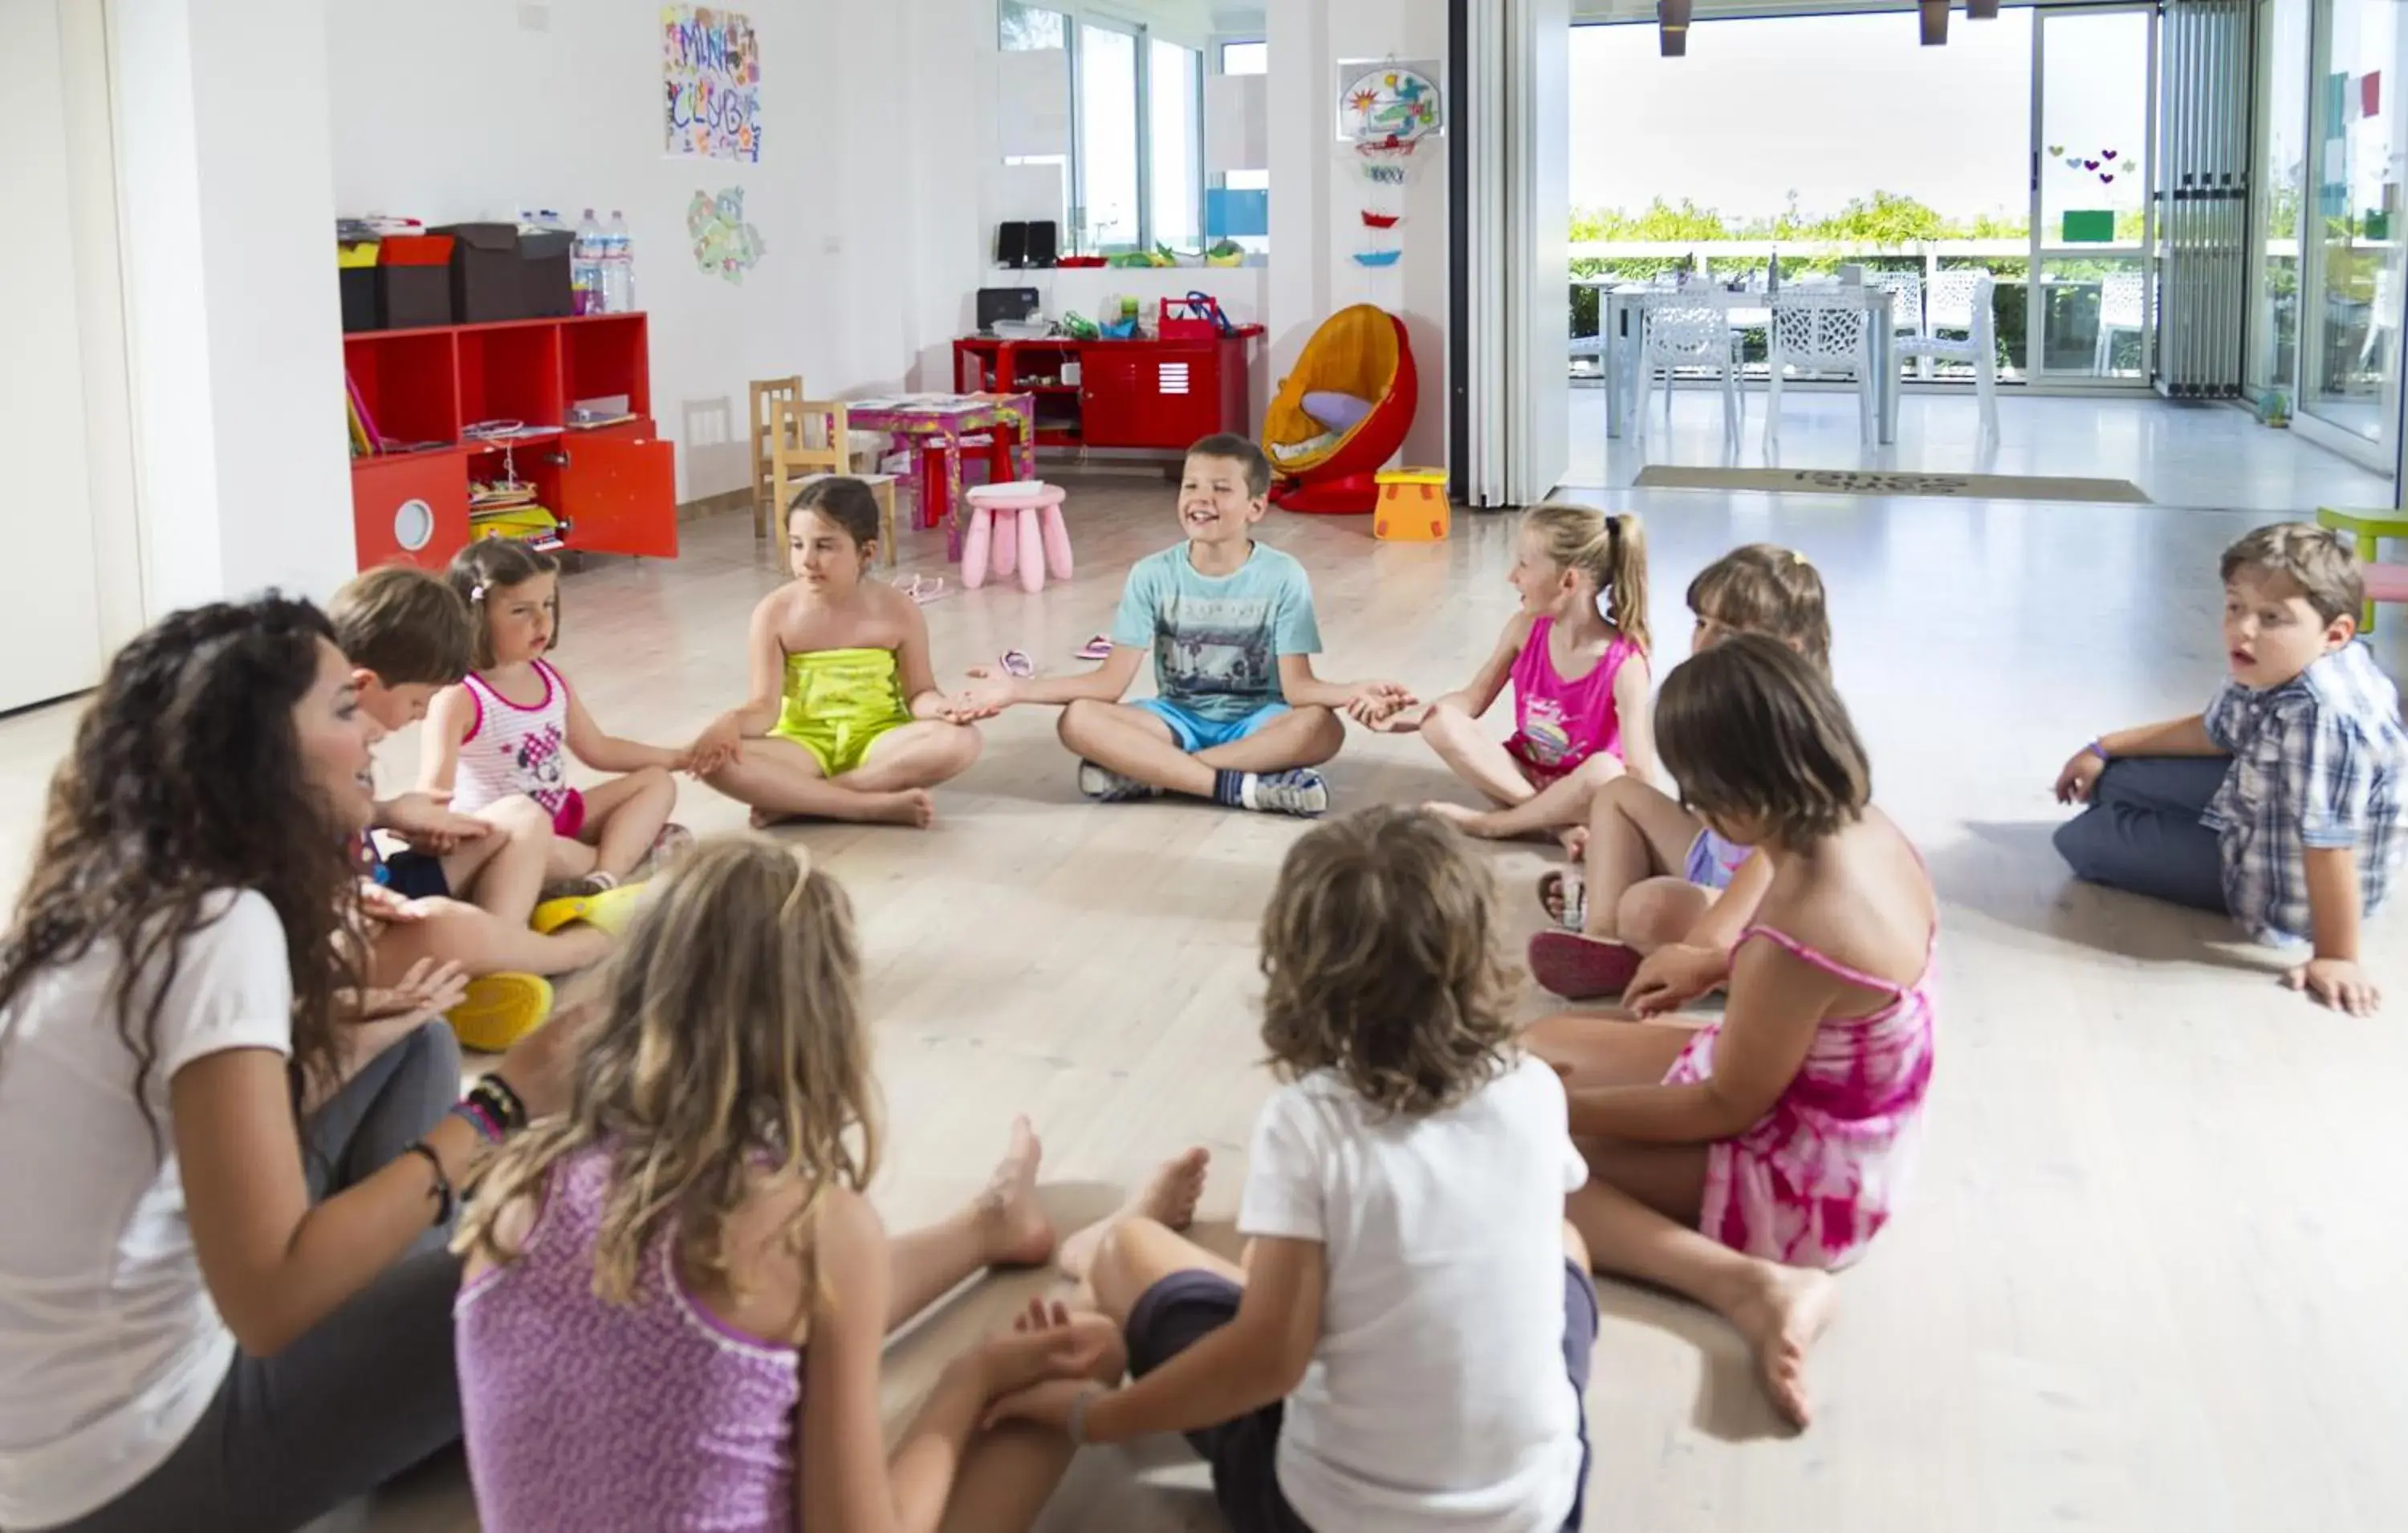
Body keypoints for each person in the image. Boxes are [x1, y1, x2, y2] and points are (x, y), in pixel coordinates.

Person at [0, 595, 588, 1533]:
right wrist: (505, 1106)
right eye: (344, 712)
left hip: (57, 1423)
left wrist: (348, 1035)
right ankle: (442, 1352)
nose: (368, 739)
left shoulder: (115, 884)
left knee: (418, 1045)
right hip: (138, 1462)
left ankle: (425, 1332)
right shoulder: (212, 926)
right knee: (569, 1249)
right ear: (263, 749)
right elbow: (269, 1299)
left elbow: (171, 1147)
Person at [454, 836, 1123, 1533]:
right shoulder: (816, 1225)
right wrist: (970, 1379)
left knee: (780, 1306)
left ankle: (989, 1225)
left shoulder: (517, 1183)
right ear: (824, 1022)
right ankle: (1099, 1277)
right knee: (1074, 1369)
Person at [986, 807, 1599, 1533]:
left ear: (1303, 969)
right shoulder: (1530, 1085)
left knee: (1128, 1254)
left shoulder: (1310, 1122)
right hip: (1537, 1514)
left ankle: (1115, 1249)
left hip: (1325, 1517)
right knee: (1564, 1244)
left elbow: (1268, 1364)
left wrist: (1096, 1415)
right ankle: (1317, 1290)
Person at [1525, 636, 1935, 1431]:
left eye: (1698, 793)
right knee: (1543, 1046)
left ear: (1734, 798)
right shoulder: (1858, 823)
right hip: (1833, 1101)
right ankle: (1548, 1100)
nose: (1695, 810)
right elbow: (1803, 957)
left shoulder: (1802, 930)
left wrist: (1558, 1111)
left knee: (1514, 1155)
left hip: (1816, 1176)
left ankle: (1750, 1284)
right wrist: (1711, 962)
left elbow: (1726, 1107)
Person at [958, 434, 1411, 819]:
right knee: (1078, 719)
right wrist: (1017, 690)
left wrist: (1353, 692)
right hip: (1175, 719)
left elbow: (1298, 689)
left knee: (1322, 728)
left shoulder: (1283, 575)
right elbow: (1108, 682)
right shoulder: (1151, 574)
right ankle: (1237, 787)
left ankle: (1155, 775)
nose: (1201, 498)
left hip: (1257, 722)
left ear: (1256, 507)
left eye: (1220, 488)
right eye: (1191, 485)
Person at [2053, 522, 2405, 1016]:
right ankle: (2151, 814)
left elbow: (2329, 842)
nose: (2243, 628)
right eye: (2235, 606)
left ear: (2336, 632)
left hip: (2284, 881)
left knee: (2082, 840)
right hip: (2265, 803)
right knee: (2114, 778)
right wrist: (2104, 747)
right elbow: (2215, 732)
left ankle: (2163, 840)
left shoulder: (2323, 713)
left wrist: (2336, 956)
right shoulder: (2278, 660)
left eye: (2272, 616)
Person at [1529, 543, 1828, 1002]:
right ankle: (1602, 938)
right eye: (1700, 623)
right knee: (1618, 794)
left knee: (1647, 910)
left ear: (1786, 651)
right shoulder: (1718, 703)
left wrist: (1707, 945)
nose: (1703, 643)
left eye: (1726, 632)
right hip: (1716, 858)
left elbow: (1773, 856)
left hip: (1764, 907)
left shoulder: (1791, 735)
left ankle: (1645, 937)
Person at [689, 478, 983, 829]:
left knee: (963, 740)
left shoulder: (899, 610)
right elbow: (764, 709)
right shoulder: (774, 613)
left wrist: (944, 708)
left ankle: (807, 801)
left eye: (825, 546)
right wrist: (730, 723)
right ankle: (865, 806)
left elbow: (919, 693)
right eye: (797, 545)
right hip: (802, 746)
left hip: (880, 743)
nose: (807, 560)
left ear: (867, 552)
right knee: (716, 760)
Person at [1361, 504, 1653, 847]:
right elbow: (1471, 700)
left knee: (1605, 770)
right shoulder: (1524, 630)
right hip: (1523, 777)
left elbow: (1640, 776)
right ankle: (1555, 827)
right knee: (1440, 721)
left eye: (1524, 565)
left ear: (1569, 580)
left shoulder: (1625, 664)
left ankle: (1493, 825)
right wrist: (1403, 718)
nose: (1511, 576)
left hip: (1583, 793)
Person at [421, 539, 691, 901]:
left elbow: (598, 749)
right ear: (476, 617)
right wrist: (434, 834)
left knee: (656, 783)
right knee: (549, 851)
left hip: (560, 813)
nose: (542, 621)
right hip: (505, 836)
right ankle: (627, 863)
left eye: (547, 604)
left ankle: (603, 876)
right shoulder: (460, 697)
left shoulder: (551, 678)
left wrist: (675, 759)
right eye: (521, 611)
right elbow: (434, 790)